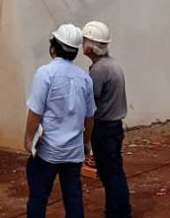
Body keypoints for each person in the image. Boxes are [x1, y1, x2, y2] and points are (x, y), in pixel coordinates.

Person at [23, 24, 96, 218]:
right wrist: (86, 143)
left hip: (47, 151)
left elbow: (35, 113)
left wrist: (29, 140)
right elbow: (89, 117)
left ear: (53, 48)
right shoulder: (85, 79)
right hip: (73, 152)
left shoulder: (45, 74)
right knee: (73, 199)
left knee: (38, 198)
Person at [82, 21, 132, 218]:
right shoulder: (113, 65)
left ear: (91, 46)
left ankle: (115, 212)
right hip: (115, 126)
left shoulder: (99, 71)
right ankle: (121, 210)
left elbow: (91, 102)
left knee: (110, 174)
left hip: (104, 128)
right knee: (115, 171)